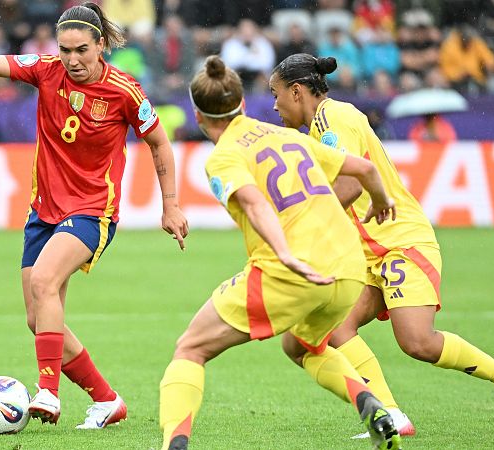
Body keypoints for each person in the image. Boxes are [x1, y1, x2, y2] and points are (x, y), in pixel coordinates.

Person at [268, 53, 494, 440]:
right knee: (335, 328)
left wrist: (307, 228)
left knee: (418, 342)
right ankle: (391, 414)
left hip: (400, 241)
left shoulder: (333, 119)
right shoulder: (317, 129)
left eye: (276, 93)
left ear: (297, 91)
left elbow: (350, 184)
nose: (274, 103)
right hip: (367, 253)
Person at [0, 1, 189, 429]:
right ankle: (107, 401)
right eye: (65, 49)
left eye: (81, 51)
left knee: (43, 282)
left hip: (93, 211)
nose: (72, 60)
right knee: (38, 320)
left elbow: (160, 143)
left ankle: (48, 393)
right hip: (44, 211)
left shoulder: (124, 91)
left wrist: (171, 203)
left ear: (101, 45)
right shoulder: (45, 69)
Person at [158, 55, 402, 450]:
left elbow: (254, 204)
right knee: (303, 344)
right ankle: (369, 401)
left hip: (293, 271)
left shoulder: (223, 157)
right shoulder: (287, 135)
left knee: (191, 347)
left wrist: (286, 255)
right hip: (349, 269)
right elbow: (365, 169)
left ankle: (174, 443)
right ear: (240, 103)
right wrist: (380, 199)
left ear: (200, 119)